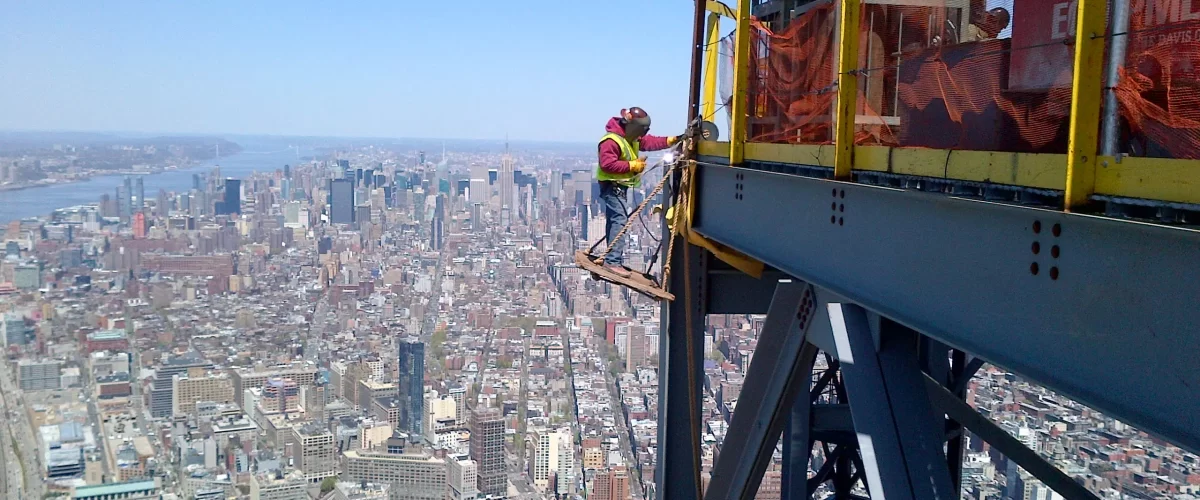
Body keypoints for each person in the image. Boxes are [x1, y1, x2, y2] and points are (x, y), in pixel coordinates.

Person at [596, 107, 683, 278]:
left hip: (619, 186)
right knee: (619, 221)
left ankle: (610, 258)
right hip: (612, 185)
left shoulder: (630, 138)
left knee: (615, 220)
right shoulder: (611, 141)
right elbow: (607, 164)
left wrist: (671, 140)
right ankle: (612, 262)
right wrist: (632, 166)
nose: (642, 135)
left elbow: (649, 142)